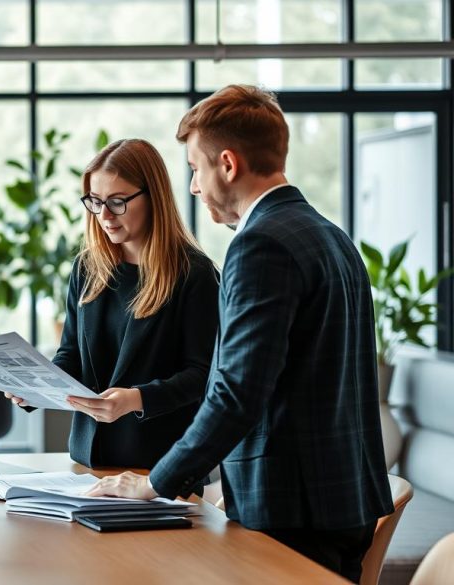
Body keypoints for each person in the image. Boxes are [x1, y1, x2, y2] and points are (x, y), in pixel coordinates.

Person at [86, 86, 393, 583]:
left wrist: (154, 484)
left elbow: (236, 393)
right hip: (342, 496)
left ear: (227, 164)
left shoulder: (260, 246)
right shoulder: (332, 237)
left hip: (294, 509)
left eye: (194, 168)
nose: (192, 187)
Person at [7, 138, 219, 469]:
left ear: (153, 198)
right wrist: (35, 387)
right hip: (88, 459)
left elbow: (204, 374)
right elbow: (71, 354)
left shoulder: (194, 274)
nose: (104, 215)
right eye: (95, 201)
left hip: (160, 465)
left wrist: (137, 399)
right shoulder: (87, 267)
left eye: (117, 202)